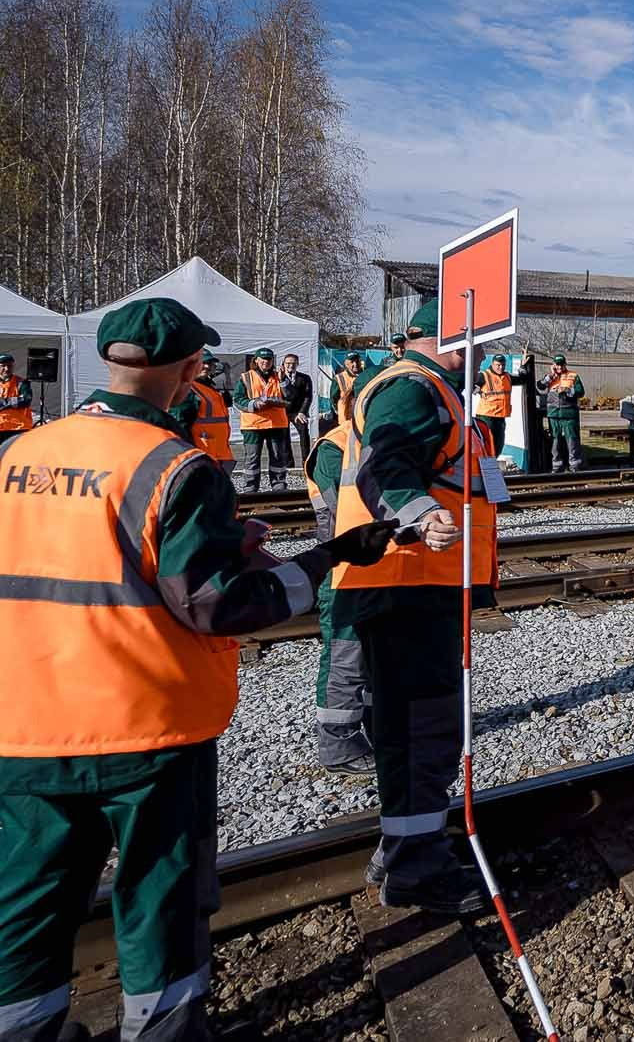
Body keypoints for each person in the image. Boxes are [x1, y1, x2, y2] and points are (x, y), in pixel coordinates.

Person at [0, 297, 392, 1042]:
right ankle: (163, 1030)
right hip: (139, 725)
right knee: (160, 891)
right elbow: (222, 605)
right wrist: (326, 559)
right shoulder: (175, 464)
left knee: (28, 896)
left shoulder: (19, 453)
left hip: (20, 720)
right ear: (187, 372)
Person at [328, 298, 500, 913]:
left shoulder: (440, 392)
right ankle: (415, 869)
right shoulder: (412, 387)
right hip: (406, 579)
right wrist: (422, 513)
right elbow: (386, 463)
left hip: (417, 580)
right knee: (421, 728)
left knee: (414, 727)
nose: (486, 349)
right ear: (449, 337)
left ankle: (403, 848)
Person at [303, 425, 371, 775]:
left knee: (375, 655)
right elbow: (348, 510)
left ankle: (378, 728)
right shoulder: (335, 446)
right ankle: (339, 745)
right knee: (346, 657)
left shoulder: (371, 435)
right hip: (344, 569)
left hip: (376, 565)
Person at [233, 348, 289, 491]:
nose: (266, 362)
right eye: (263, 359)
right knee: (252, 459)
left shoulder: (280, 376)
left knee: (278, 457)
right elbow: (238, 399)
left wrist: (283, 380)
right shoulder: (246, 377)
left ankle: (279, 486)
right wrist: (254, 404)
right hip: (253, 425)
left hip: (276, 424)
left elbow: (290, 396)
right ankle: (250, 487)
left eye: (269, 359)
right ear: (256, 360)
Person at [170, 355, 234, 470]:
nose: (207, 366)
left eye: (210, 363)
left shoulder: (209, 388)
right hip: (201, 454)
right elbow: (180, 425)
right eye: (203, 363)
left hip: (217, 452)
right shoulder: (188, 389)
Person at [537, 354, 585, 473]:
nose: (559, 367)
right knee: (555, 439)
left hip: (569, 413)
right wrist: (550, 376)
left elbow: (581, 392)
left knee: (572, 439)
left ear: (565, 365)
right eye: (557, 365)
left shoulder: (573, 376)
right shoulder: (550, 377)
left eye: (561, 365)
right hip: (554, 413)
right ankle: (557, 465)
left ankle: (575, 465)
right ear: (553, 365)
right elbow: (540, 386)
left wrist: (568, 390)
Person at [279, 352, 315, 467]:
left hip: (298, 411)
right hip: (283, 411)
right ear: (283, 364)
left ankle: (306, 463)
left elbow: (308, 397)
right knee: (284, 438)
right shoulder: (278, 377)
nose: (291, 366)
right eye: (288, 363)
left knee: (304, 435)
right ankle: (288, 464)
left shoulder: (304, 378)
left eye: (293, 363)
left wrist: (302, 412)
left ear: (298, 364)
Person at [475, 354, 512, 451]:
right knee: (487, 444)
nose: (501, 367)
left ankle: (493, 463)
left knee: (498, 445)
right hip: (486, 417)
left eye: (503, 365)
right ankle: (486, 465)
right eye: (498, 365)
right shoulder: (484, 375)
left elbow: (522, 378)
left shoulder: (507, 377)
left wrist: (523, 367)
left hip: (500, 417)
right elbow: (469, 383)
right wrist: (478, 391)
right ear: (492, 364)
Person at [0, 354, 32, 445]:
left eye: (9, 366)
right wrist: (14, 401)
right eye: (3, 366)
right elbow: (19, 400)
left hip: (18, 427)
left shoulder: (22, 382)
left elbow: (26, 400)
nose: (6, 369)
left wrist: (4, 402)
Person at [333, 350, 365, 427]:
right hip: (346, 419)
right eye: (352, 362)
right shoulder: (339, 378)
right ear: (346, 363)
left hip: (362, 417)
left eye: (357, 361)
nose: (355, 364)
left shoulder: (366, 376)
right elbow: (334, 398)